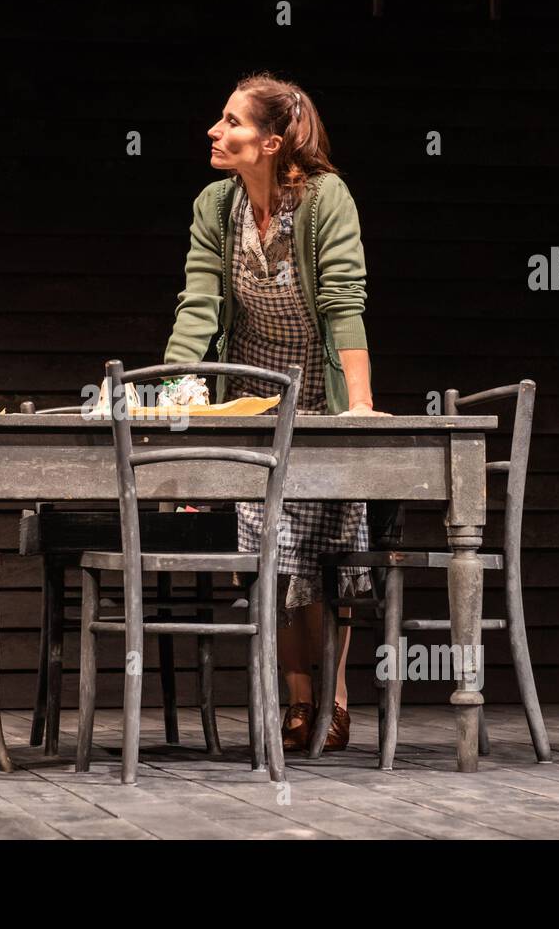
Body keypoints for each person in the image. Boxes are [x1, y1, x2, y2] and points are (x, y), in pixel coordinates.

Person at [163, 71, 391, 752]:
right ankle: (299, 700)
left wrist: (361, 408)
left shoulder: (324, 201)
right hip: (254, 396)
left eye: (231, 121)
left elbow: (343, 304)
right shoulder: (216, 206)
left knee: (328, 550)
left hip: (320, 390)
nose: (215, 130)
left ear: (272, 140)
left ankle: (337, 696)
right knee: (271, 550)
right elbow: (199, 303)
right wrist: (176, 387)